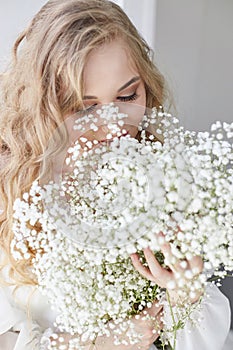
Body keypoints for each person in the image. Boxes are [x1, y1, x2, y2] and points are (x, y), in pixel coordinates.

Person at [0, 1, 231, 349]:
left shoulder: (165, 174)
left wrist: (186, 293)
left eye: (127, 95)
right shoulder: (11, 191)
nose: (113, 127)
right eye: (84, 106)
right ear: (44, 103)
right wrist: (102, 342)